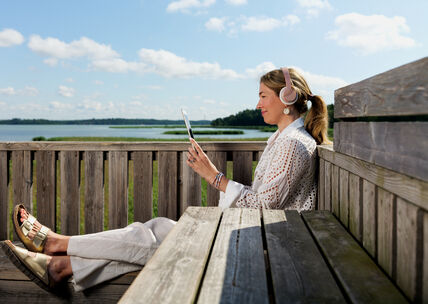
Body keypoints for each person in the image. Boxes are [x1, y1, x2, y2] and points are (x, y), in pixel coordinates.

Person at [1, 67, 329, 292]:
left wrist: (214, 178)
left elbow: (263, 206)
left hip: (271, 252)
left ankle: (57, 246)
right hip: (259, 239)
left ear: (287, 97)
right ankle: (60, 268)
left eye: (263, 96)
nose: (257, 104)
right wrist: (213, 177)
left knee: (153, 238)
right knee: (155, 230)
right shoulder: (283, 140)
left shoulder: (294, 146)